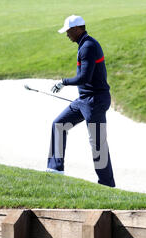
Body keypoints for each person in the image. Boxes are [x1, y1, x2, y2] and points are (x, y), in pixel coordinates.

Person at [47, 15, 115, 188]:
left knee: (97, 144)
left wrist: (63, 82)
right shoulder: (84, 44)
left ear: (78, 29)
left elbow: (84, 77)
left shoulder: (88, 46)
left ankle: (107, 185)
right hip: (84, 100)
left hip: (95, 101)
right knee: (59, 125)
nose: (67, 35)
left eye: (69, 31)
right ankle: (55, 170)